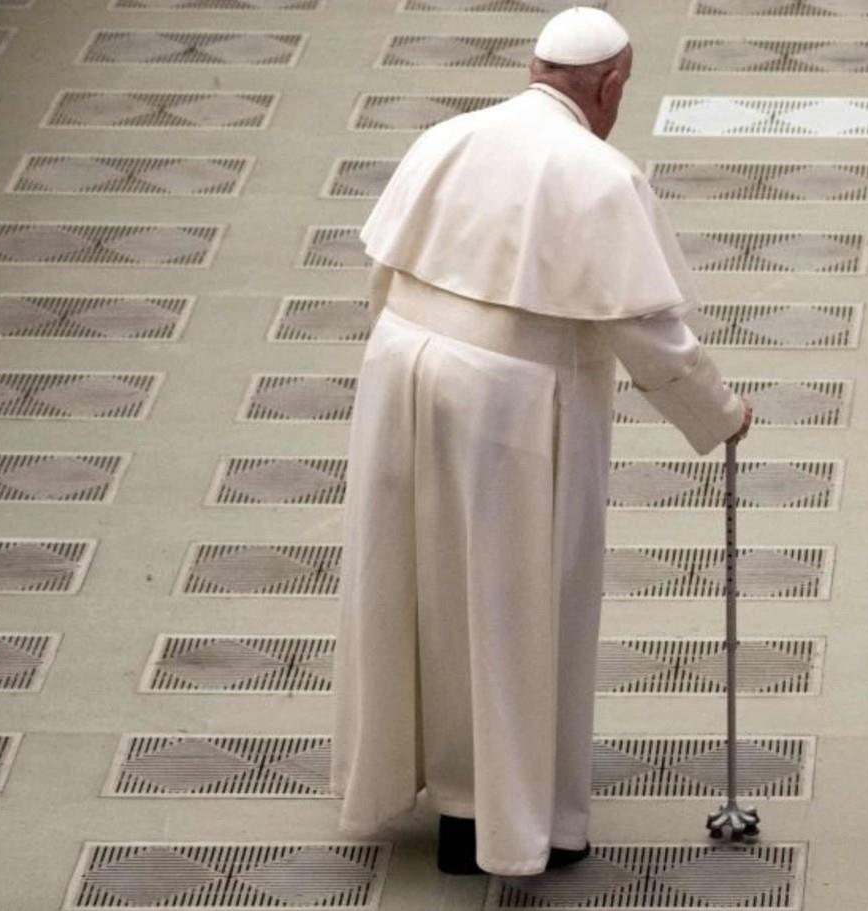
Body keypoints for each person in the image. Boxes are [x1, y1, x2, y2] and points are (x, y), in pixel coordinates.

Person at [329, 6, 752, 878]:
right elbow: (648, 329)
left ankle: (430, 791)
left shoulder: (448, 137)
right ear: (609, 85)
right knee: (513, 600)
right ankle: (510, 821)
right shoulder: (598, 173)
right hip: (510, 405)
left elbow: (385, 270)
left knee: (416, 587)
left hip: (400, 367)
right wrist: (721, 414)